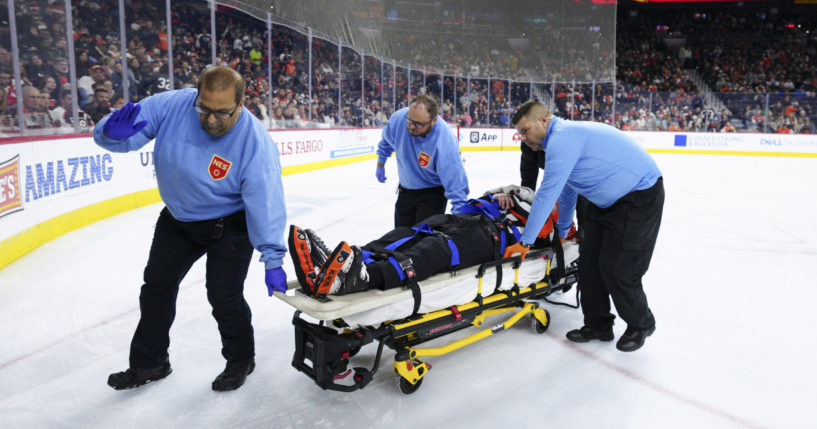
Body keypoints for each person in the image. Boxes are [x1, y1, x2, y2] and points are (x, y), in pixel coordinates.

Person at [93, 65, 288, 392]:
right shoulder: (172, 105)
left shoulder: (254, 142)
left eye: (222, 113)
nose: (211, 119)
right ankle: (150, 362)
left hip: (230, 225)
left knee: (223, 295)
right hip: (179, 219)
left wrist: (273, 258)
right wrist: (110, 131)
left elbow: (266, 203)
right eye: (204, 109)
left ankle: (241, 358)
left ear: (241, 104)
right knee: (156, 288)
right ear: (196, 96)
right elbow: (121, 138)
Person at [505, 100, 664, 353]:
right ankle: (598, 325)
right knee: (589, 264)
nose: (522, 138)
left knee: (619, 268)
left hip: (638, 195)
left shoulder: (562, 139)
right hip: (602, 200)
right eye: (520, 133)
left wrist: (525, 242)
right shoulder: (557, 143)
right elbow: (567, 192)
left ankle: (642, 323)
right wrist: (563, 232)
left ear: (543, 121)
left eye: (525, 131)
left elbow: (546, 194)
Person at [288, 184, 568, 298]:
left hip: (493, 239)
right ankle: (352, 259)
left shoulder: (553, 221)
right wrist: (500, 195)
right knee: (408, 233)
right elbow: (497, 192)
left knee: (437, 249)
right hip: (471, 220)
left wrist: (520, 204)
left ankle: (364, 277)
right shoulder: (527, 194)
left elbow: (551, 235)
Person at [375, 94, 470, 228]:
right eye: (410, 120)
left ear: (433, 120)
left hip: (432, 195)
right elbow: (386, 142)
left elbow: (455, 180)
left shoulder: (444, 140)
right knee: (400, 239)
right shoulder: (398, 119)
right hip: (406, 191)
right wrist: (381, 163)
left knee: (422, 242)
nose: (412, 127)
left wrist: (459, 216)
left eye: (418, 124)